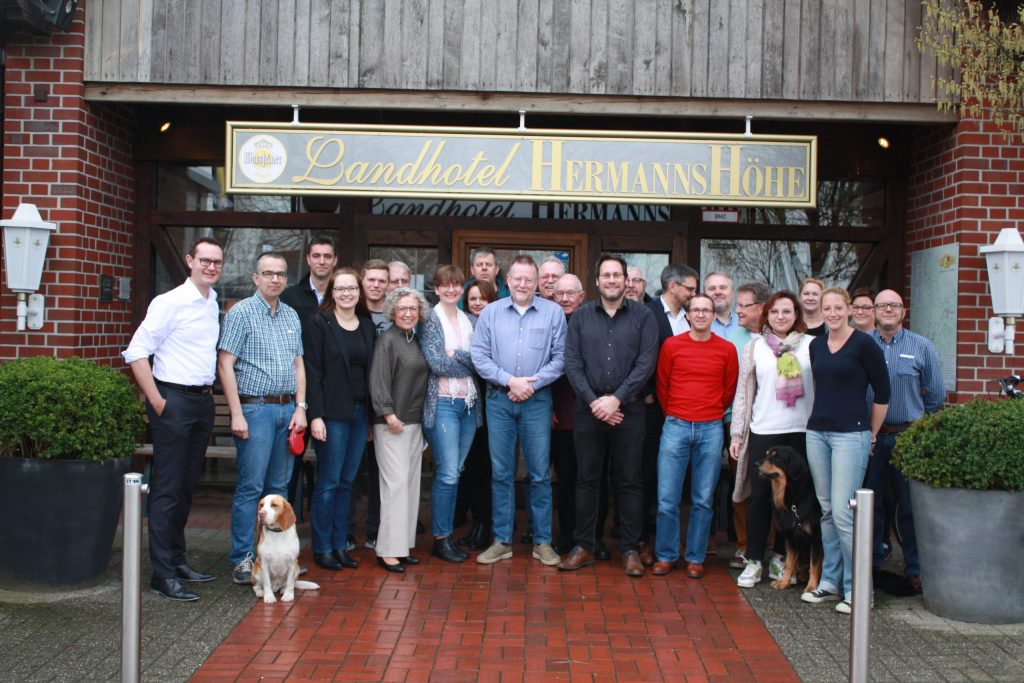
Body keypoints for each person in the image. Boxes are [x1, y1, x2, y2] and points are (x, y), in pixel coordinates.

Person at [122, 237, 224, 602]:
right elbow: (136, 352)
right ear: (189, 261)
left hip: (201, 401)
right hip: (173, 400)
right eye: (204, 260)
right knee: (167, 488)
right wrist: (157, 400)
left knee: (185, 486)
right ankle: (162, 574)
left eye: (217, 262)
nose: (211, 267)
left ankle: (178, 561)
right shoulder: (169, 302)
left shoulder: (212, 302)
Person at [558, 254, 658, 577]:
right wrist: (595, 403)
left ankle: (630, 549)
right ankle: (584, 545)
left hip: (630, 411)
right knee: (587, 479)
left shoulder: (644, 316)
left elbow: (646, 363)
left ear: (626, 280)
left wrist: (616, 399)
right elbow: (572, 364)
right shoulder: (581, 317)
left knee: (629, 480)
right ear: (597, 281)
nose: (612, 280)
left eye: (617, 275)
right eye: (606, 275)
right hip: (589, 411)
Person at [470, 255, 567, 566]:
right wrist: (510, 380)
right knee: (501, 474)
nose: (523, 284)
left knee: (539, 475)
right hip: (499, 401)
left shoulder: (553, 313)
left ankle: (542, 542)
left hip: (537, 402)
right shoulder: (491, 313)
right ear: (508, 281)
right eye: (518, 278)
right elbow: (479, 356)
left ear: (537, 282)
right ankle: (502, 541)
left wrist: (531, 385)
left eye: (529, 279)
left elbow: (560, 358)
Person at [218, 251, 307, 585]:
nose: (275, 279)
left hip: (287, 409)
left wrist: (301, 407)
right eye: (268, 273)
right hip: (254, 409)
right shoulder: (240, 313)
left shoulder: (291, 315)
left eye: (280, 273)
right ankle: (243, 558)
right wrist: (236, 413)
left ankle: (278, 561)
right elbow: (225, 363)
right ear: (255, 278)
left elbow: (298, 364)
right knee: (251, 487)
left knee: (279, 489)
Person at [802, 286, 890, 614]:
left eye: (839, 308)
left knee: (843, 513)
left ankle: (859, 589)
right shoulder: (816, 345)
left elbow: (883, 393)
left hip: (851, 436)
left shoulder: (864, 344)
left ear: (850, 310)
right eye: (827, 309)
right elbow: (820, 387)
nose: (833, 314)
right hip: (817, 433)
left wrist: (871, 434)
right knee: (826, 510)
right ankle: (830, 582)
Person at [730, 290, 815, 589]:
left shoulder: (811, 345)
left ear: (797, 315)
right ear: (767, 315)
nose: (781, 317)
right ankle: (754, 560)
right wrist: (737, 434)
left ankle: (782, 556)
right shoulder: (755, 347)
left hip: (802, 431)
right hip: (764, 429)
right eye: (775, 312)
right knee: (761, 498)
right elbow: (743, 394)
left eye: (787, 311)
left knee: (794, 500)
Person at [652, 293, 738, 579]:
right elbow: (662, 384)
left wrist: (710, 411)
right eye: (695, 310)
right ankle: (666, 555)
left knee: (703, 499)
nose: (701, 315)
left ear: (713, 315)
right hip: (676, 424)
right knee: (667, 498)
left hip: (710, 427)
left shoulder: (727, 349)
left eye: (706, 310)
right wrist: (675, 412)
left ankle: (695, 558)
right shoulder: (672, 345)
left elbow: (729, 389)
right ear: (687, 315)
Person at [866, 289, 945, 594]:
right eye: (882, 305)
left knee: (909, 506)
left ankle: (915, 569)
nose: (888, 309)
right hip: (871, 438)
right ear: (874, 311)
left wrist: (918, 427)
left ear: (903, 311)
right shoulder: (862, 344)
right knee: (871, 504)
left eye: (893, 305)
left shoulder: (922, 347)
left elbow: (936, 395)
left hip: (906, 437)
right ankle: (871, 566)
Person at [303, 267, 375, 571]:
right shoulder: (320, 323)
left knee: (347, 483)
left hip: (359, 413)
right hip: (331, 415)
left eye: (352, 288)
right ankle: (322, 547)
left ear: (359, 292)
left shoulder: (367, 326)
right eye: (340, 288)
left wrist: (370, 418)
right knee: (329, 483)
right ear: (331, 292)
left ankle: (339, 544)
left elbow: (371, 374)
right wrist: (315, 416)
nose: (347, 293)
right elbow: (312, 372)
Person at [421, 265, 481, 563]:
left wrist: (455, 355)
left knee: (455, 471)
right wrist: (468, 361)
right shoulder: (429, 320)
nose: (451, 289)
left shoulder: (472, 320)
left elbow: (482, 362)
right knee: (446, 473)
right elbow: (436, 363)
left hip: (469, 405)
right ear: (436, 288)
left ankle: (446, 536)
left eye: (456, 284)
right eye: (445, 284)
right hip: (443, 403)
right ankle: (441, 539)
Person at [369, 287, 431, 573]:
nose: (408, 314)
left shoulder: (414, 339)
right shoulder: (388, 340)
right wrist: (387, 414)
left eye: (413, 309)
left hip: (414, 423)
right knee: (395, 487)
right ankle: (387, 551)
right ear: (392, 311)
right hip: (392, 424)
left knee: (410, 486)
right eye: (402, 308)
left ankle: (403, 546)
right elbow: (378, 380)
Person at [640, 263, 698, 545]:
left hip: (685, 408)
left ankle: (676, 536)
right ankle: (648, 535)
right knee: (650, 470)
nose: (694, 294)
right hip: (653, 407)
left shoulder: (693, 317)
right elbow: (637, 356)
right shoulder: (646, 312)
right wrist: (647, 393)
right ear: (673, 286)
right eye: (690, 289)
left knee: (681, 475)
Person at [280, 236, 338, 513]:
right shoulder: (290, 297)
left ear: (335, 260)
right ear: (308, 259)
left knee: (331, 471)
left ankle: (323, 531)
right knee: (288, 467)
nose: (322, 261)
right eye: (317, 255)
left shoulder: (343, 294)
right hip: (298, 391)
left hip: (331, 393)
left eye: (327, 256)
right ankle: (282, 528)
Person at [724, 280, 771, 570]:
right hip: (738, 423)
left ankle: (773, 547)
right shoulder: (733, 339)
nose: (738, 311)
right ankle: (744, 545)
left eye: (744, 305)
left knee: (772, 485)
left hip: (773, 425)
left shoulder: (783, 338)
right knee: (741, 484)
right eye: (737, 305)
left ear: (762, 307)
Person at [548, 273, 595, 555]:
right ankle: (567, 534)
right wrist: (547, 407)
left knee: (591, 478)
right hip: (559, 415)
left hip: (591, 413)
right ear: (553, 296)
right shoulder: (549, 323)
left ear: (582, 296)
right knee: (565, 479)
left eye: (571, 293)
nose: (565, 299)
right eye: (559, 293)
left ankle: (591, 538)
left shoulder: (593, 321)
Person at [455, 279, 499, 550]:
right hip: (468, 403)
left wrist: (459, 356)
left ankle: (486, 524)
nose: (478, 303)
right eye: (473, 299)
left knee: (487, 467)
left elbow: (481, 361)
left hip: (493, 402)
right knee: (471, 465)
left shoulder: (498, 325)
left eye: (483, 298)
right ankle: (477, 521)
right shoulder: (461, 326)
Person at [354, 258, 392, 550]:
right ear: (362, 281)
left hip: (387, 407)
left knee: (381, 474)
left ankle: (375, 530)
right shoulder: (352, 313)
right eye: (372, 280)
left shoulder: (394, 316)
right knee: (351, 474)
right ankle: (344, 532)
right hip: (355, 404)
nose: (377, 285)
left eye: (382, 281)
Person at [705, 272, 740, 339]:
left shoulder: (745, 324)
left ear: (733, 292)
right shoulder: (696, 325)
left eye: (723, 288)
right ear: (704, 294)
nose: (718, 292)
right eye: (712, 288)